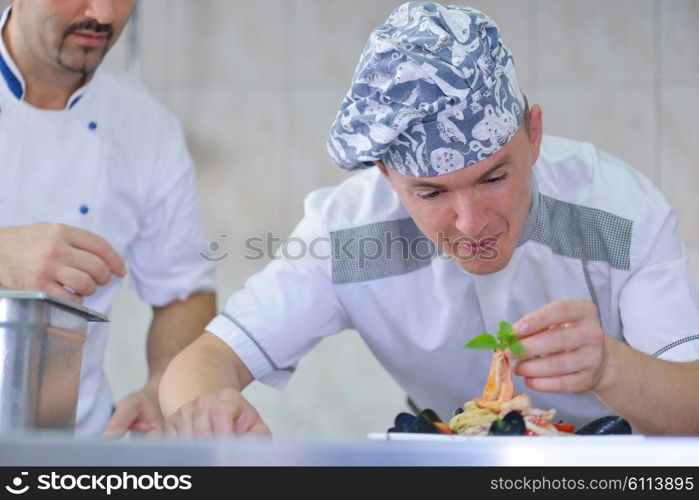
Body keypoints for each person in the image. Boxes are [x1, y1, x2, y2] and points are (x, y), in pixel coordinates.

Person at [159, 2, 699, 436]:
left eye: (493, 178)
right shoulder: (346, 235)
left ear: (533, 135)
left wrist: (611, 367)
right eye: (432, 192)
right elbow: (206, 361)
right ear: (386, 176)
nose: (470, 223)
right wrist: (209, 410)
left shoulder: (618, 212)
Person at [0, 0, 216, 437]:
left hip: (75, 442)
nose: (102, 14)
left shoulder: (147, 125)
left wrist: (161, 389)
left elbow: (183, 292)